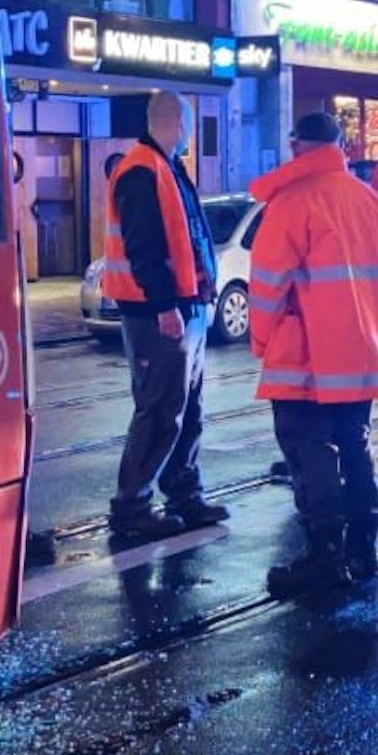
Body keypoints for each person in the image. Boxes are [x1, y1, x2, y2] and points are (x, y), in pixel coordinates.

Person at [250, 111, 378, 597]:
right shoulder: (368, 200)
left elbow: (268, 285)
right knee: (355, 445)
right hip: (361, 349)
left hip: (307, 354)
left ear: (297, 146)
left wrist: (262, 340)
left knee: (307, 449)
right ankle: (363, 549)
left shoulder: (292, 201)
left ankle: (325, 555)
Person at [101, 92, 229, 541]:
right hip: (159, 312)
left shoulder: (166, 167)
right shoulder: (142, 169)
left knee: (186, 408)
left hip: (183, 307)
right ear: (176, 121)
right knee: (159, 409)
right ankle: (132, 506)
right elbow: (145, 248)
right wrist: (164, 306)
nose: (192, 131)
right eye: (189, 121)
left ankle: (183, 493)